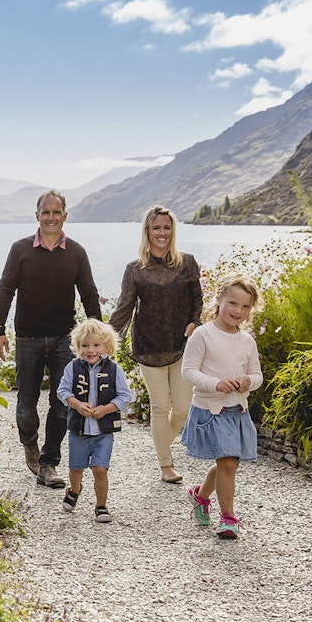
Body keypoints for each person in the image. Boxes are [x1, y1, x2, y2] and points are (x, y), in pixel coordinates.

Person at [0, 189, 102, 489]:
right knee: (26, 403)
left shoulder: (77, 253)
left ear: (65, 215)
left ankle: (48, 462)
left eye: (57, 212)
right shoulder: (20, 250)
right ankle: (31, 447)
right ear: (37, 215)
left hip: (63, 340)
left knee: (62, 402)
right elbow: (6, 290)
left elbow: (90, 295)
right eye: (46, 212)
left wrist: (100, 338)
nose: (51, 217)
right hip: (28, 337)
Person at [108, 205, 202, 485]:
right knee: (161, 407)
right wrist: (104, 338)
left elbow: (197, 299)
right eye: (156, 228)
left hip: (182, 345)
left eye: (166, 227)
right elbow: (124, 308)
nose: (162, 233)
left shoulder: (187, 262)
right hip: (148, 347)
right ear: (147, 232)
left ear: (172, 231)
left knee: (183, 408)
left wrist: (195, 322)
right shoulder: (135, 269)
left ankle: (161, 444)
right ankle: (166, 464)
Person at [180, 274, 262, 539]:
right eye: (233, 303)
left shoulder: (247, 341)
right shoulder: (202, 335)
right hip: (210, 412)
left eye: (245, 306)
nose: (238, 311)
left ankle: (200, 495)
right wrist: (216, 384)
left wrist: (247, 381)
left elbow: (257, 376)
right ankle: (228, 518)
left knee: (228, 462)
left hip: (237, 411)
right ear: (219, 300)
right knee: (227, 463)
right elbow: (188, 371)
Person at [56, 318, 132, 523]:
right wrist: (77, 404)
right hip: (78, 430)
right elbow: (62, 391)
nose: (90, 350)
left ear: (107, 346)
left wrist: (107, 409)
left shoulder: (114, 370)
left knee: (100, 469)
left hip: (103, 431)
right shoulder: (73, 368)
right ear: (77, 347)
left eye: (96, 345)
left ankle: (101, 506)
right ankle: (74, 489)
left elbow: (125, 396)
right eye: (85, 345)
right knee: (76, 468)